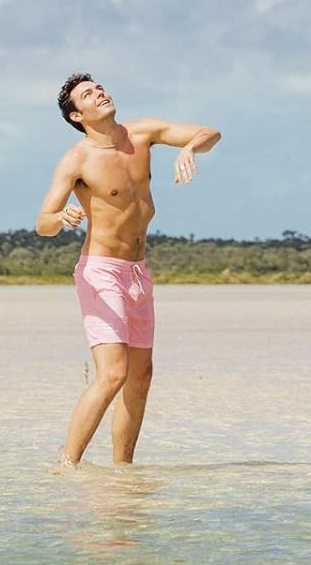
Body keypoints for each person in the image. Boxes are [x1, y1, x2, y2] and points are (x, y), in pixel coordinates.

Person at [36, 71, 219, 466]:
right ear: (76, 116)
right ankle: (66, 465)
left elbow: (210, 132)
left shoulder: (141, 134)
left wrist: (189, 149)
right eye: (88, 94)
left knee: (141, 376)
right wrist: (61, 218)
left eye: (99, 87)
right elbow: (42, 221)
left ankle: (123, 471)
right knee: (113, 373)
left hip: (138, 272)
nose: (99, 93)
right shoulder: (77, 159)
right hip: (100, 272)